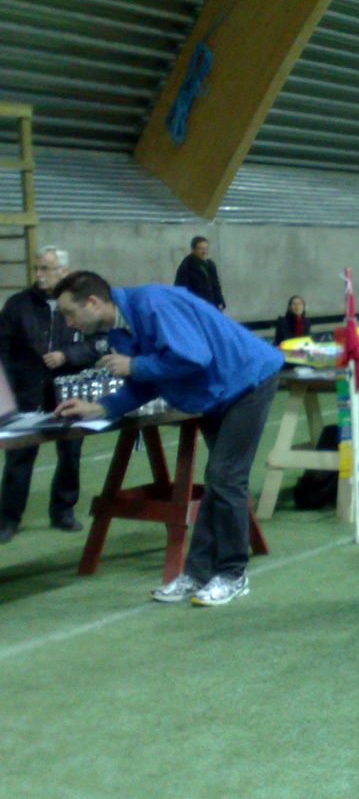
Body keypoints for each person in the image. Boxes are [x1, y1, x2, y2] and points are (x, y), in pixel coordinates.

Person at [52, 271, 283, 606]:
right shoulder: (118, 330)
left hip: (248, 380)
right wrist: (101, 407)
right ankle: (198, 574)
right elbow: (147, 382)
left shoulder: (154, 304)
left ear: (93, 302)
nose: (69, 324)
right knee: (219, 479)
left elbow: (193, 357)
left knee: (226, 477)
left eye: (70, 314)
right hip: (217, 391)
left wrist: (135, 365)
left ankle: (233, 575)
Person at [0, 247, 102, 543]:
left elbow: (96, 344)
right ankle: (8, 519)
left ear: (64, 272)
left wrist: (67, 355)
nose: (39, 274)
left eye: (46, 268)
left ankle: (63, 510)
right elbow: (3, 349)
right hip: (27, 392)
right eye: (37, 268)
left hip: (69, 390)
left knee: (70, 452)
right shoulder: (17, 305)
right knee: (19, 455)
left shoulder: (81, 304)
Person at [174, 236, 226, 310]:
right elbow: (181, 289)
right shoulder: (186, 266)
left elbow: (216, 285)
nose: (204, 252)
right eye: (200, 248)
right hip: (195, 307)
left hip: (211, 305)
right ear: (193, 250)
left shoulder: (210, 265)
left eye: (206, 248)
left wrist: (220, 301)